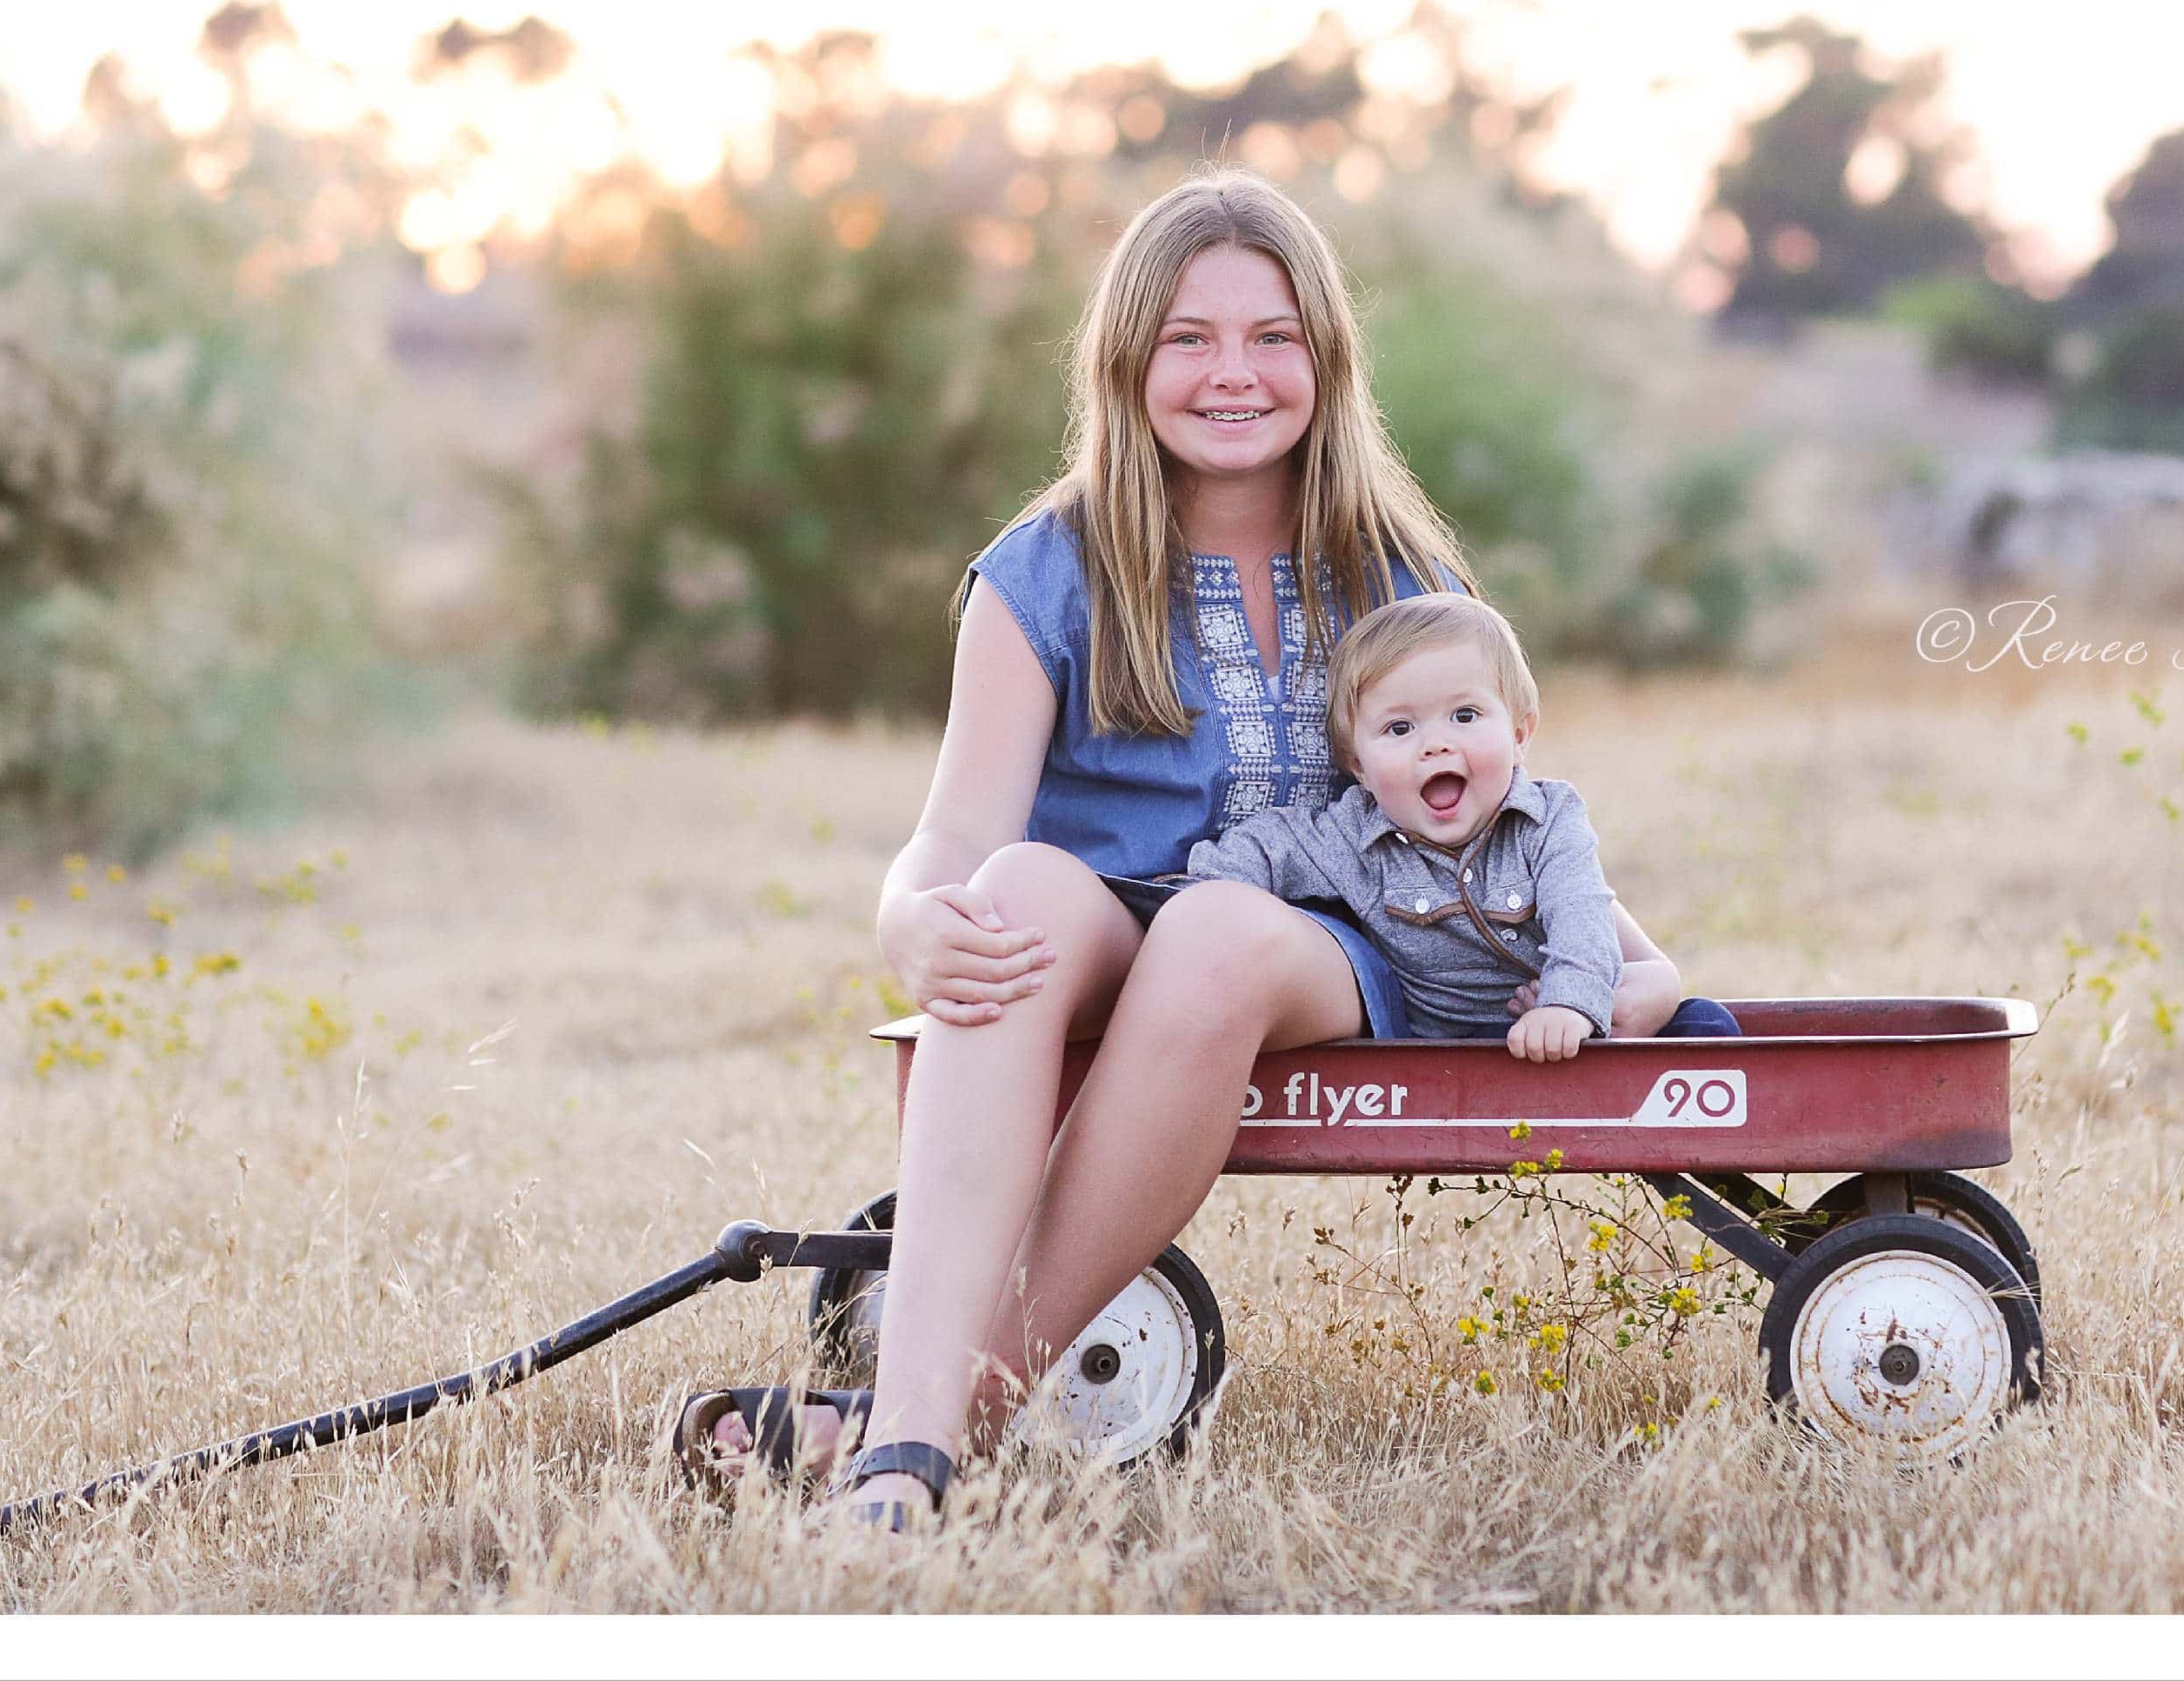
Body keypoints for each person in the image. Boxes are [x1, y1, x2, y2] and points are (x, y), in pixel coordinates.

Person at [675, 170, 1693, 1528]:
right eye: (1190, 338)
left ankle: (910, 1442)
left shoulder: (1398, 579)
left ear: (1325, 360)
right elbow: (956, 834)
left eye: (1273, 336)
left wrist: (1619, 964)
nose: (1235, 373)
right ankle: (900, 1452)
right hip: (1109, 914)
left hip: (1327, 940)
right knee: (1016, 888)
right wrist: (910, 916)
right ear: (1126, 360)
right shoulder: (1042, 571)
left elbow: (1505, 810)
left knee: (1216, 932)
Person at [1180, 592, 1741, 1057]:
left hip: (1570, 1023)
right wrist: (1199, 894)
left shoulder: (1548, 822)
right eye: (1399, 729)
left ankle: (1734, 1173)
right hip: (1448, 1047)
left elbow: (1582, 918)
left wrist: (1570, 1003)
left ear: (1520, 734)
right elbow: (1270, 844)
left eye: (1465, 716)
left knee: (1706, 1027)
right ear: (1360, 767)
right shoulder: (1354, 837)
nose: (1436, 743)